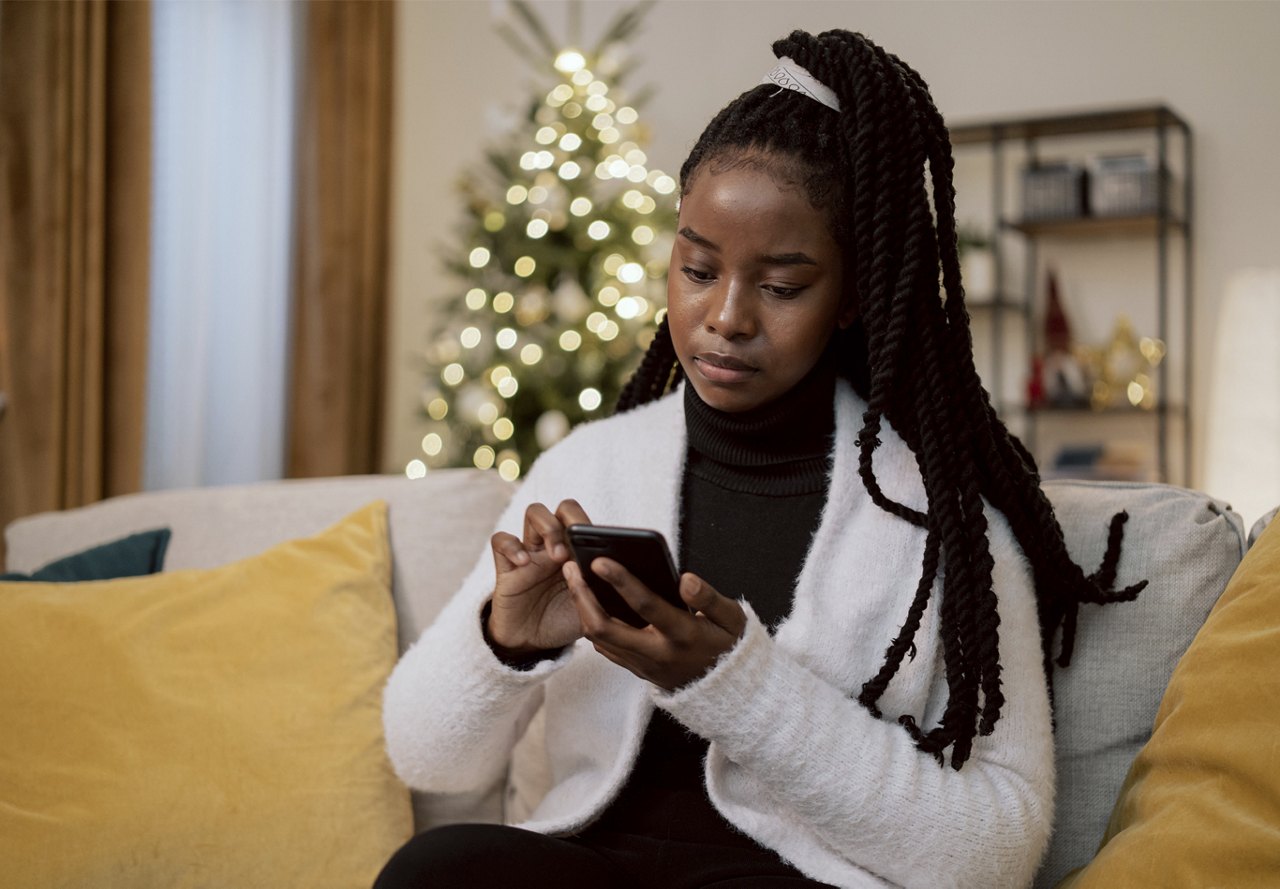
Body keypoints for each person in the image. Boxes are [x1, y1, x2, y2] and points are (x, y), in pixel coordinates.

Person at [376, 28, 1143, 889]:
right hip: (592, 868)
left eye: (781, 286)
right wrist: (505, 640)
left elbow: (994, 852)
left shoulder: (935, 517)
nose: (727, 316)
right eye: (697, 269)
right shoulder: (591, 463)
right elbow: (424, 758)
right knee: (436, 871)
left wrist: (734, 685)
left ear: (853, 294)